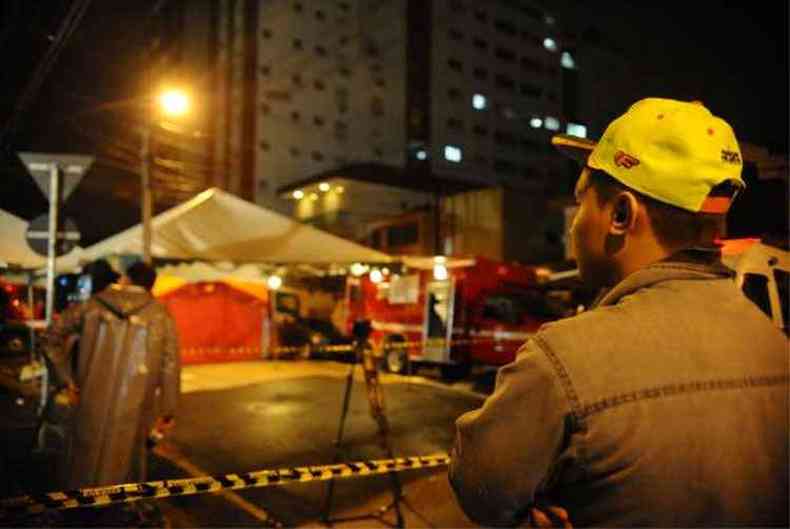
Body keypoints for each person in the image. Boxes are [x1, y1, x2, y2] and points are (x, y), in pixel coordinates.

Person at [448, 98, 788, 527]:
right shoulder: (773, 344)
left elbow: (479, 489)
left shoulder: (563, 359)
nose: (573, 224)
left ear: (621, 215)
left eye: (581, 201)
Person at [46, 260, 180, 492]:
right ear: (151, 285)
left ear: (125, 279)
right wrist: (168, 409)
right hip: (136, 407)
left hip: (88, 399)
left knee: (80, 461)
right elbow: (170, 365)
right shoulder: (160, 315)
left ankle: (76, 508)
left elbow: (51, 338)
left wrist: (65, 380)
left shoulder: (92, 305)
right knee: (124, 467)